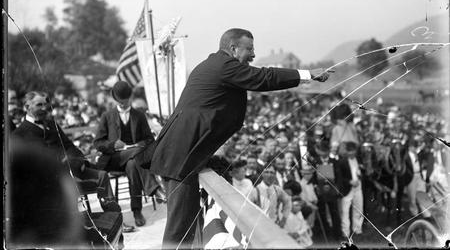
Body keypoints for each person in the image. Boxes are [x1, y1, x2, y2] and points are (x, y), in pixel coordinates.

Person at [149, 28, 332, 248]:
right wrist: (307, 74)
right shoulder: (224, 66)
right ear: (233, 49)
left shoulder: (216, 65)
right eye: (250, 49)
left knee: (187, 225)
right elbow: (263, 77)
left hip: (184, 155)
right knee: (178, 231)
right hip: (181, 157)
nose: (253, 55)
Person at [12, 91, 123, 215]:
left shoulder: (52, 125)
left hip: (72, 169)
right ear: (27, 107)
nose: (44, 108)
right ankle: (75, 224)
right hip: (49, 181)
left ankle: (113, 216)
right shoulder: (19, 135)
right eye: (39, 105)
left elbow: (70, 146)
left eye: (45, 105)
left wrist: (75, 161)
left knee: (102, 175)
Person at [94, 81, 165, 227]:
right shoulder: (107, 116)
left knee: (133, 164)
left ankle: (136, 211)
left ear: (130, 98)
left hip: (133, 160)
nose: (123, 104)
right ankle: (154, 188)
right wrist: (112, 144)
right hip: (114, 158)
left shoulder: (139, 115)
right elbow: (97, 143)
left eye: (125, 101)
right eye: (120, 101)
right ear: (115, 99)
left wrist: (142, 144)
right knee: (137, 154)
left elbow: (149, 139)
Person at [335, 141, 364, 238]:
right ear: (346, 151)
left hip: (358, 187)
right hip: (347, 189)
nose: (352, 153)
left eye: (353, 151)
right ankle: (345, 232)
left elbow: (362, 171)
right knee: (345, 211)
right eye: (349, 151)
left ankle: (357, 229)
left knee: (359, 209)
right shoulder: (341, 162)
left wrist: (360, 175)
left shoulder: (359, 160)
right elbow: (339, 177)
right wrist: (349, 182)